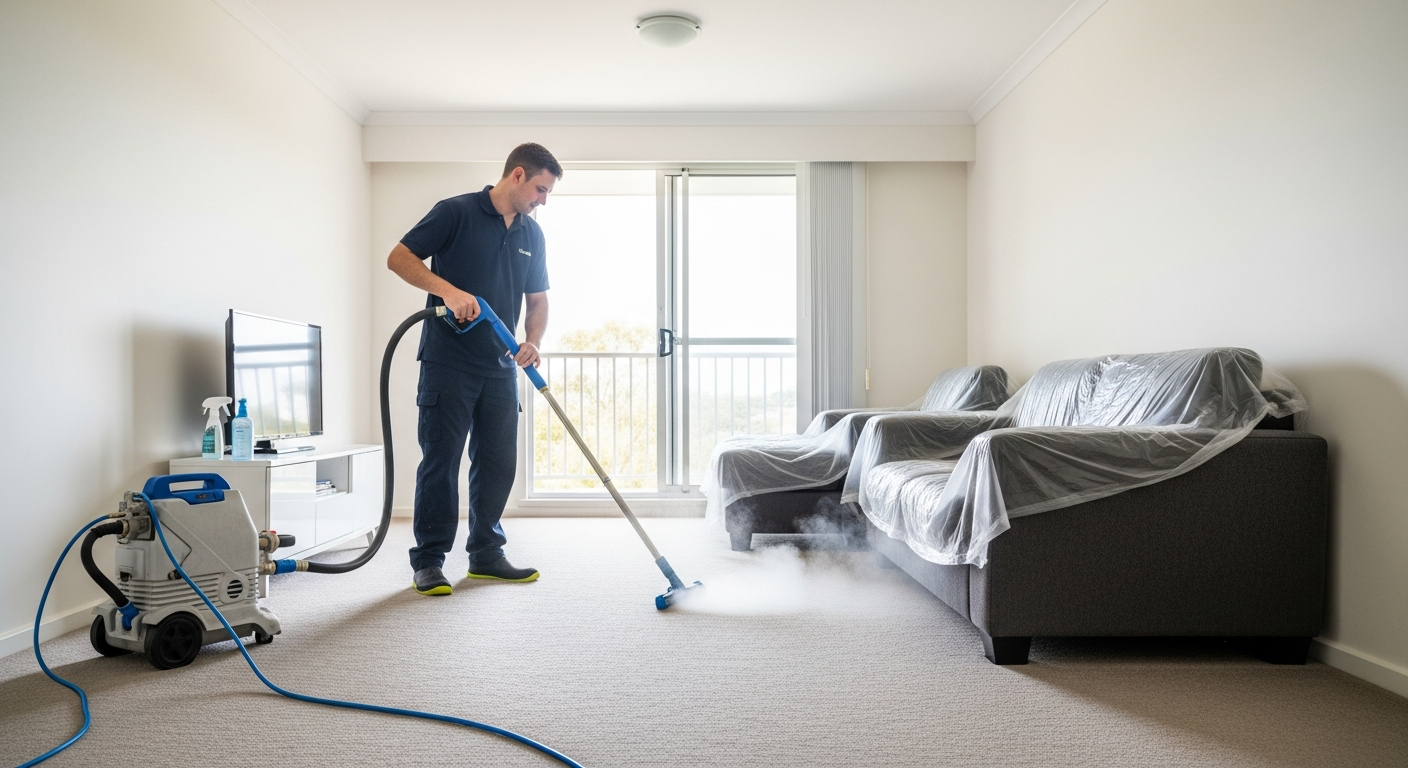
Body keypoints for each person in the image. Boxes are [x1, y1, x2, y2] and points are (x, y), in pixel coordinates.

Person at [387, 142, 560, 596]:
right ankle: (428, 561)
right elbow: (399, 257)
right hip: (449, 363)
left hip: (502, 365)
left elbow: (538, 300)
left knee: (497, 462)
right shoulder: (455, 212)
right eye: (541, 189)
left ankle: (485, 554)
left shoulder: (531, 235)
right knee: (441, 463)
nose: (543, 200)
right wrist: (446, 290)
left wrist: (533, 341)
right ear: (517, 175)